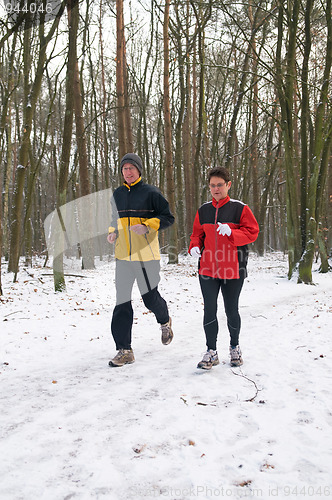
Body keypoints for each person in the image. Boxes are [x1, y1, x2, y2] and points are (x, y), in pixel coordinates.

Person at [107, 153, 175, 367]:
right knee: (122, 301)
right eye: (124, 169)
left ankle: (164, 320)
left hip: (146, 256)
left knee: (149, 298)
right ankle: (124, 349)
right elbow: (113, 219)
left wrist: (147, 225)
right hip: (123, 257)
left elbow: (168, 217)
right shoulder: (117, 194)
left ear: (139, 170)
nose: (128, 172)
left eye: (131, 168)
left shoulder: (151, 193)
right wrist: (112, 232)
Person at [189, 166, 259, 370]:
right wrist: (194, 246)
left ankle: (234, 347)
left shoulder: (240, 209)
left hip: (234, 268)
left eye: (220, 185)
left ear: (228, 185)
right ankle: (211, 351)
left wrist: (232, 233)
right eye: (212, 185)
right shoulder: (203, 210)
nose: (216, 189)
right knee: (209, 309)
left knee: (231, 309)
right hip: (208, 268)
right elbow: (196, 234)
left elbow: (252, 232)